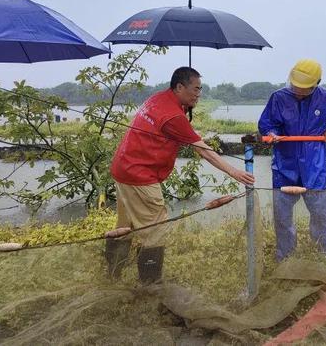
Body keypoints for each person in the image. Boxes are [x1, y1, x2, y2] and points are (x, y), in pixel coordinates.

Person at [106, 67, 255, 283]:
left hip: (123, 168)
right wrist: (234, 172)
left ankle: (112, 276)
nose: (198, 94)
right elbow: (203, 149)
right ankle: (150, 284)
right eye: (195, 89)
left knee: (125, 226)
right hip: (140, 175)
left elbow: (178, 131)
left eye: (200, 89)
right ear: (179, 87)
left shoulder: (158, 99)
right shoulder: (173, 115)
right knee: (155, 231)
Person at [258, 59, 326, 261]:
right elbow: (266, 123)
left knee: (320, 215)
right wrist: (271, 134)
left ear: (316, 84)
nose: (299, 91)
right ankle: (285, 258)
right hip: (285, 162)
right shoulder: (279, 97)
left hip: (314, 162)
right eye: (296, 86)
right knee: (282, 217)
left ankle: (324, 257)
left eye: (305, 88)